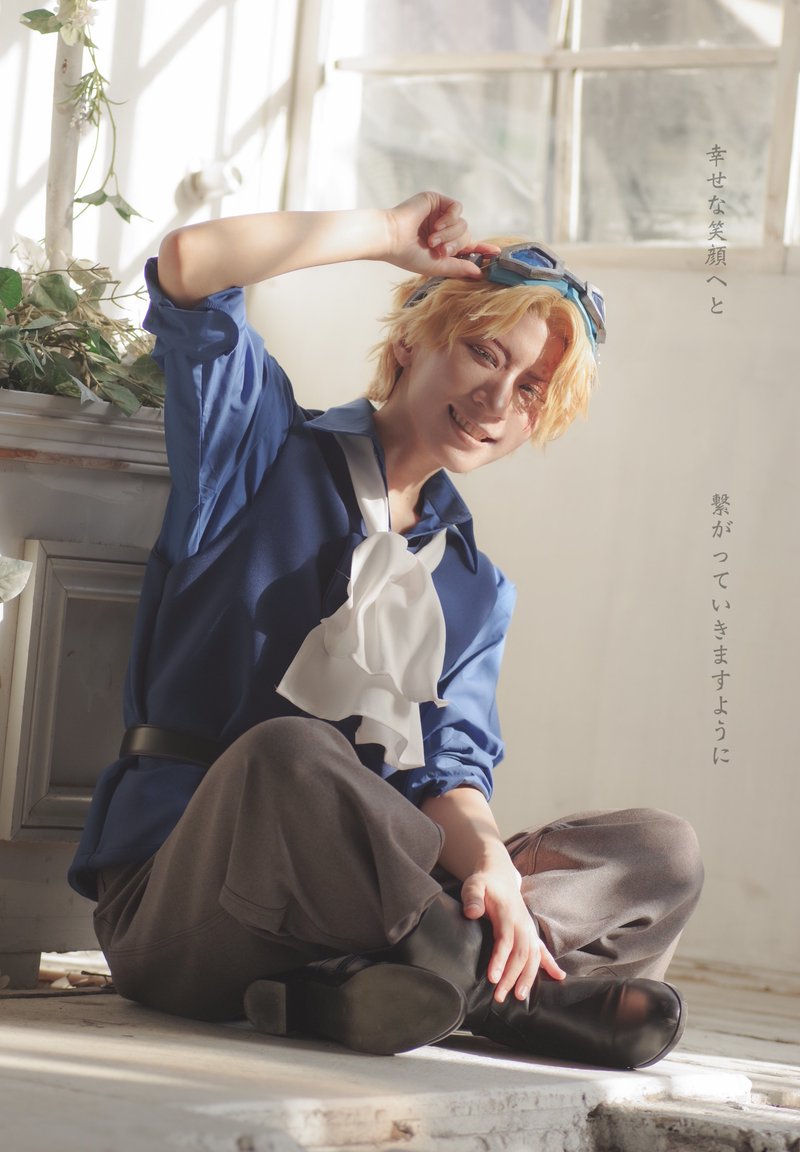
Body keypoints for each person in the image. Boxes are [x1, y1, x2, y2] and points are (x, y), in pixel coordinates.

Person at [69, 192, 703, 1068]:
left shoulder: (475, 587)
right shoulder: (258, 449)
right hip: (189, 903)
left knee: (658, 851)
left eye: (529, 390)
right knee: (290, 754)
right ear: (410, 342)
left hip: (372, 903)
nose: (496, 399)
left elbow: (448, 773)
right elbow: (189, 268)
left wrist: (493, 868)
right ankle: (505, 991)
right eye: (484, 353)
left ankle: (393, 979)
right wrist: (385, 237)